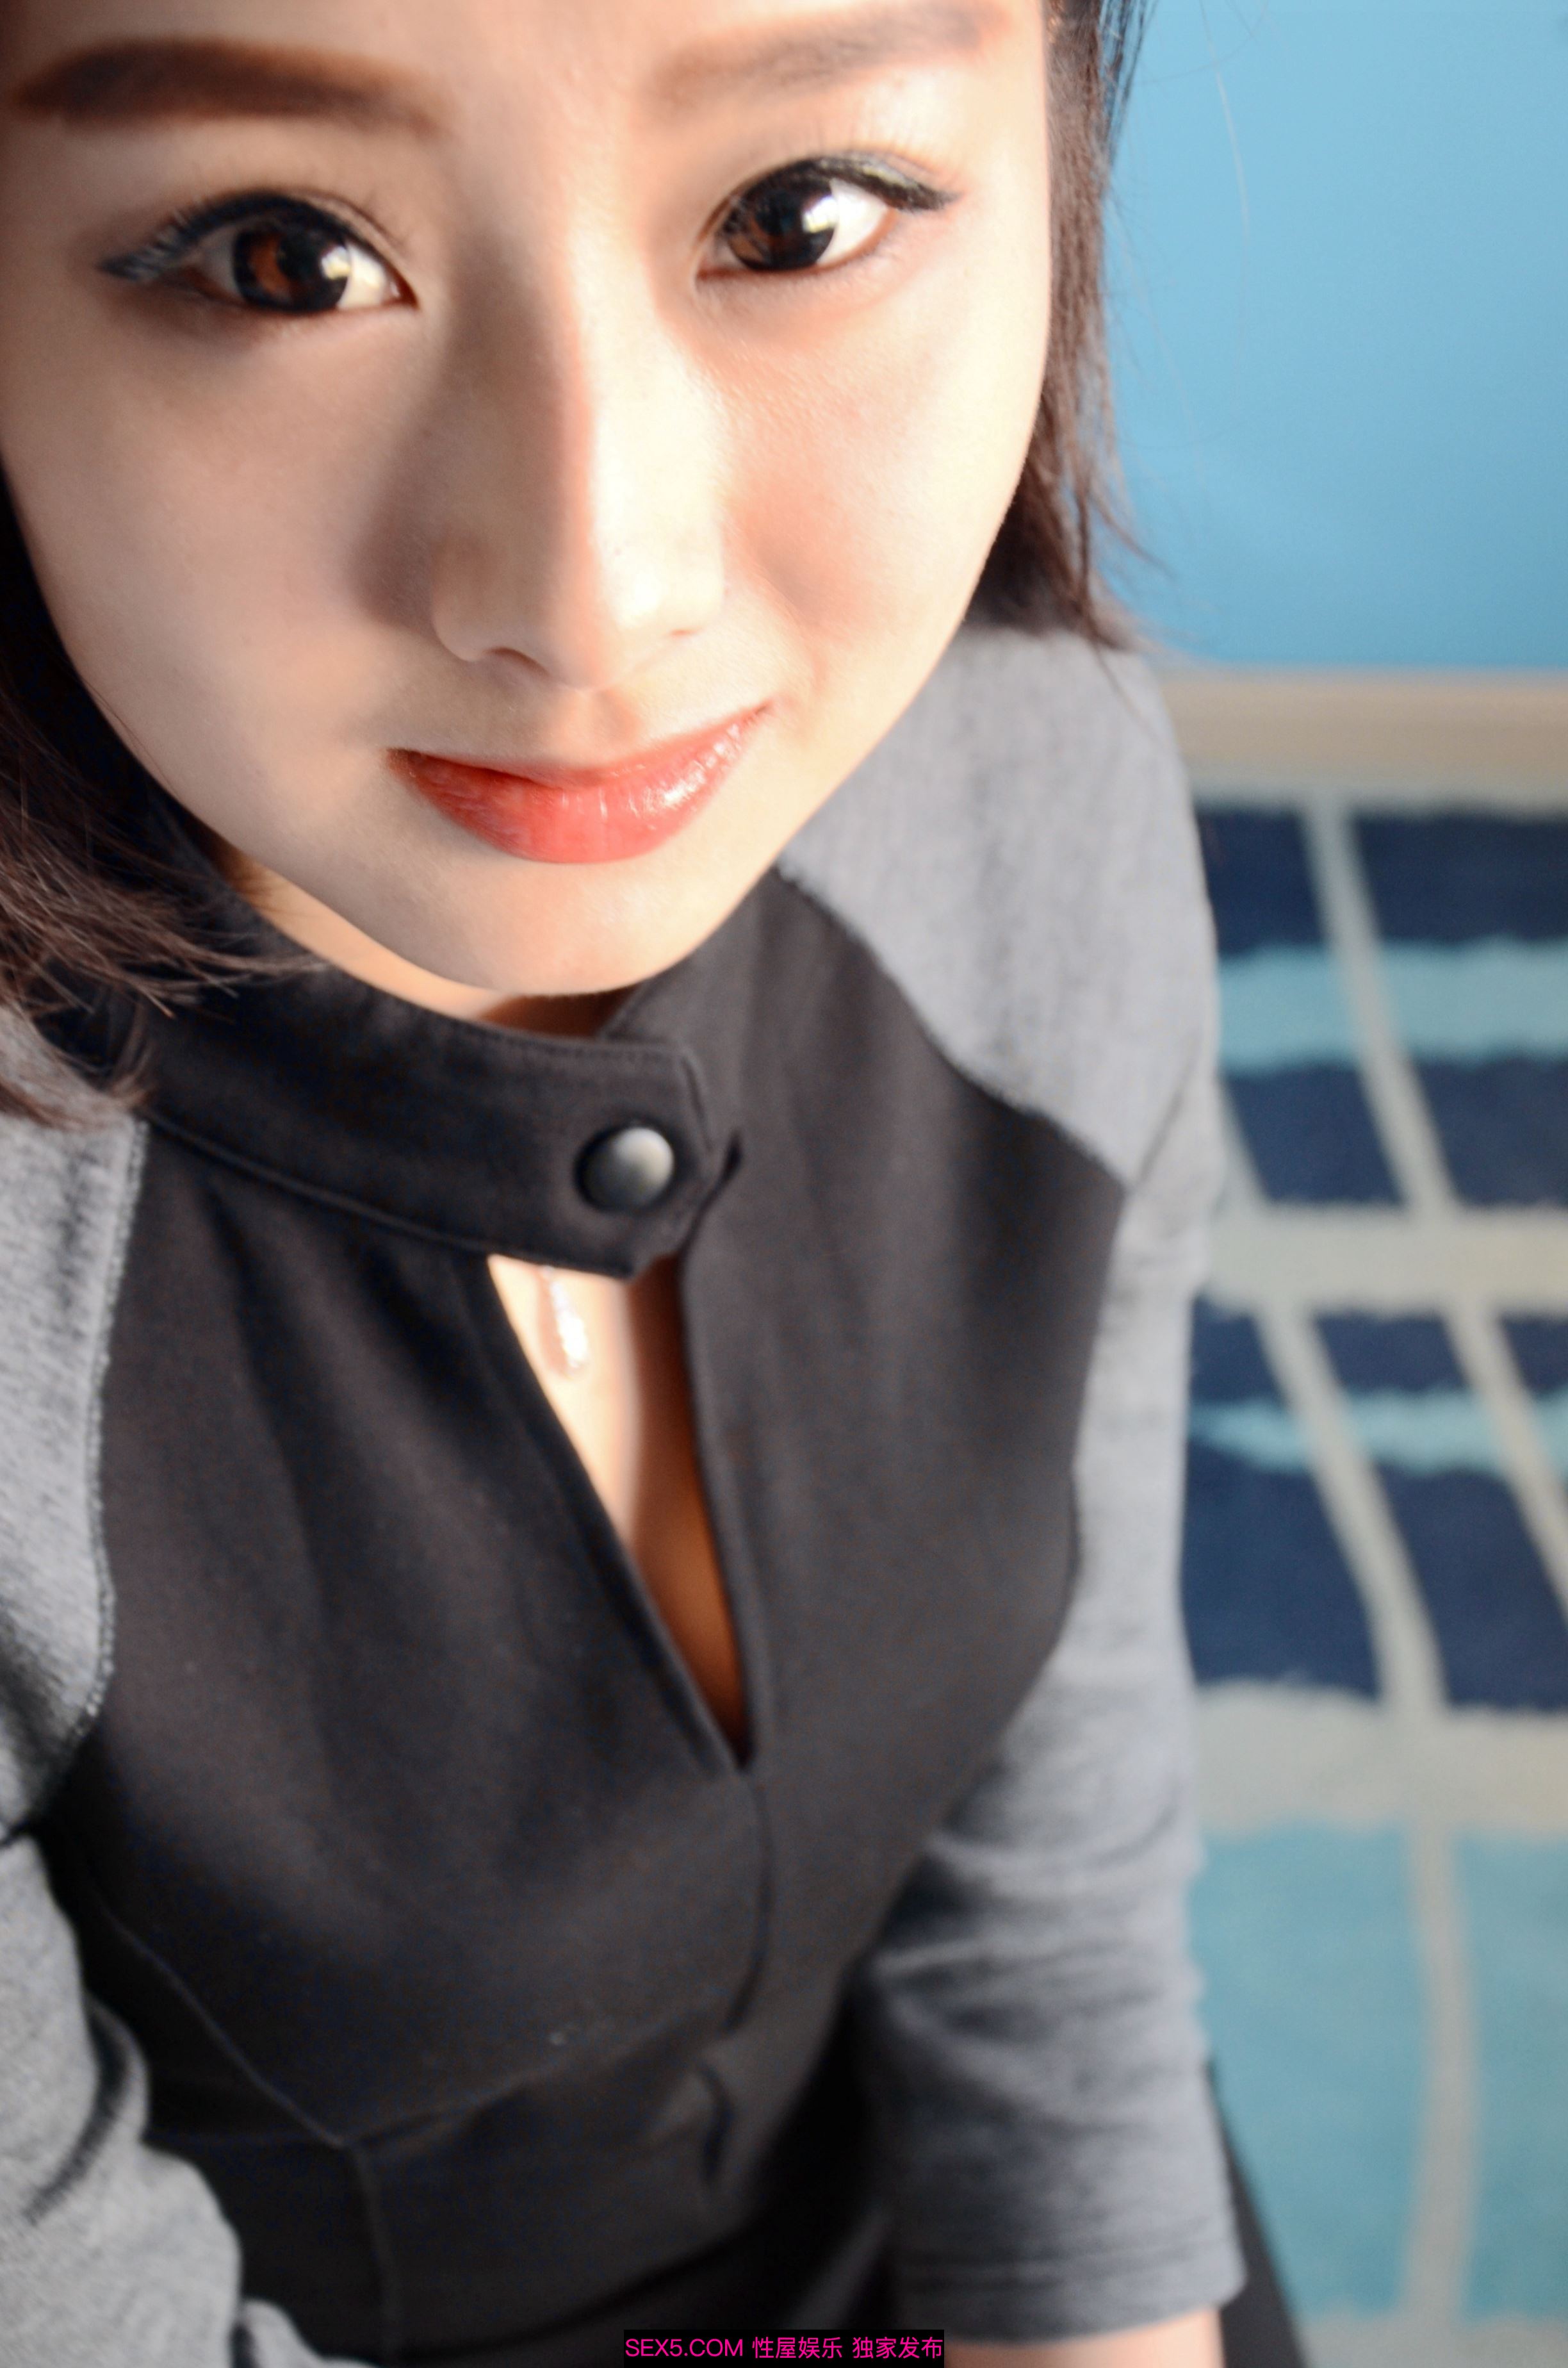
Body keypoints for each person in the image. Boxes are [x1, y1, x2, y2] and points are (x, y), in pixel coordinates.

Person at [0, 3, 1300, 2364]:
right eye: (282, 258)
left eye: (797, 218)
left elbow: (1055, 1862)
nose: (596, 593)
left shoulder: (1034, 789)